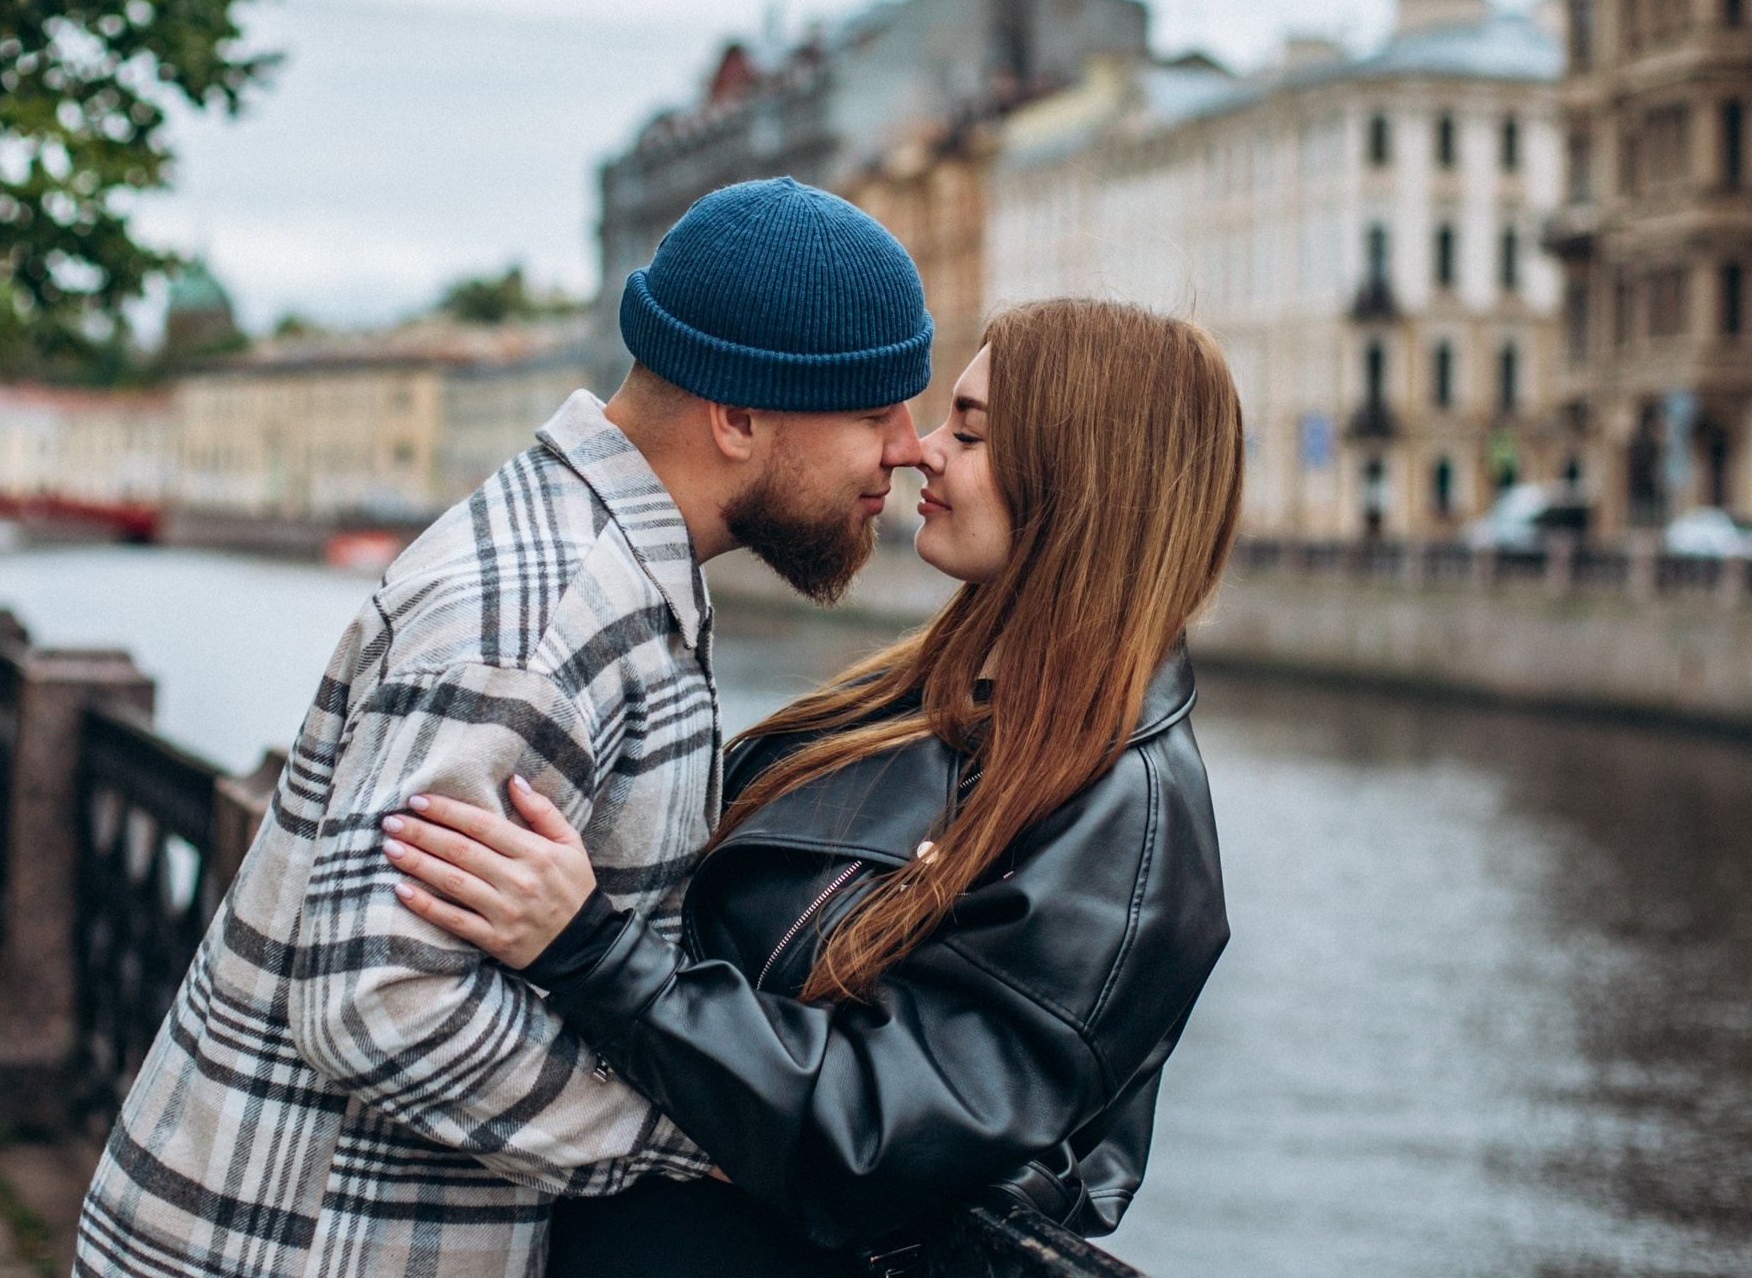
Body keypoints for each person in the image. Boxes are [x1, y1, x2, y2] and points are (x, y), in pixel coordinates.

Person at [74, 177, 935, 1278]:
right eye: (874, 412)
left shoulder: (600, 572)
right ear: (739, 415)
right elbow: (382, 999)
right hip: (293, 1246)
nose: (906, 450)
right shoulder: (540, 614)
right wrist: (704, 1136)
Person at [381, 298, 1239, 1274]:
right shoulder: (917, 691)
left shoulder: (1125, 816)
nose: (921, 451)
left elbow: (878, 1136)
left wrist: (589, 949)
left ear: (1084, 480)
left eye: (971, 431)